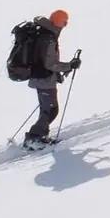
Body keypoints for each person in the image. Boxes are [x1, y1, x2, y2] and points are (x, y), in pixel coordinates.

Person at [23, 9, 81, 148]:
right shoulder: (48, 38)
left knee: (47, 110)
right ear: (59, 22)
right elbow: (49, 64)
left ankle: (40, 136)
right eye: (64, 23)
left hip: (41, 78)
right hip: (44, 80)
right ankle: (33, 138)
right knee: (50, 111)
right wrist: (69, 66)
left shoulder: (44, 34)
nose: (64, 26)